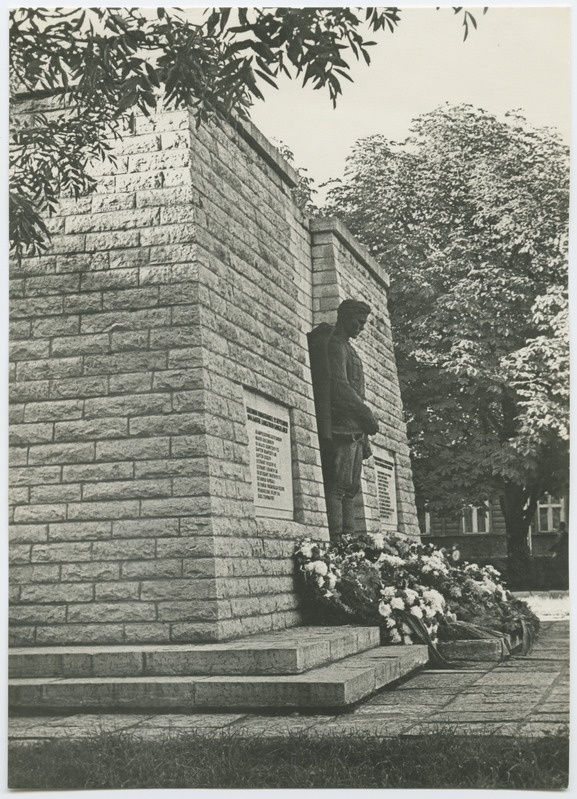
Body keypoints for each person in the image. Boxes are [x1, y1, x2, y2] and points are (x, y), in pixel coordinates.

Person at [308, 299, 379, 538]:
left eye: (364, 323)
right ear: (345, 317)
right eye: (358, 322)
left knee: (351, 489)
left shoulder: (349, 348)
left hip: (356, 430)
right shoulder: (335, 345)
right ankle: (338, 541)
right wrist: (365, 413)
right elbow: (339, 387)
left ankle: (349, 544)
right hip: (342, 428)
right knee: (338, 486)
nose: (361, 327)